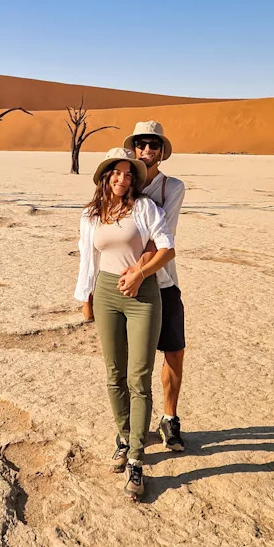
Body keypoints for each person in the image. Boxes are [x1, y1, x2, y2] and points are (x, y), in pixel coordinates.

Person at [75, 147, 176, 501]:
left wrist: (140, 274)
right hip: (105, 292)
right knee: (113, 373)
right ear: (105, 176)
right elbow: (88, 261)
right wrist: (85, 300)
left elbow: (167, 248)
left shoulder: (146, 208)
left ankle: (136, 457)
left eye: (129, 174)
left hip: (143, 294)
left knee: (138, 377)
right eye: (116, 173)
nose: (123, 179)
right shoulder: (90, 215)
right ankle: (123, 436)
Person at [123, 121, 187, 452]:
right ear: (133, 148)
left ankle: (169, 419)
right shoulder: (120, 182)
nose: (147, 150)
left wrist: (140, 271)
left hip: (163, 282)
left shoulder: (172, 187)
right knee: (135, 361)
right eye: (141, 143)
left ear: (162, 151)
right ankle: (132, 427)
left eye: (154, 144)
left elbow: (163, 238)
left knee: (174, 351)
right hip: (127, 287)